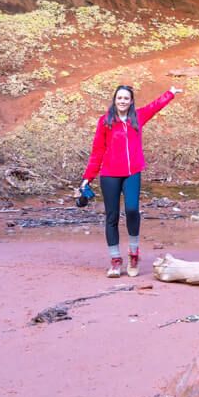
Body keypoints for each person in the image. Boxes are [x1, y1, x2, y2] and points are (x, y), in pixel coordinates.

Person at [78, 84, 181, 277]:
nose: (122, 101)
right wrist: (87, 178)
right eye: (119, 98)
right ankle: (115, 261)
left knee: (132, 209)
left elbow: (155, 106)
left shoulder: (138, 117)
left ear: (131, 101)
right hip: (109, 174)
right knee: (112, 217)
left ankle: (134, 253)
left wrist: (171, 93)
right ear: (114, 100)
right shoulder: (105, 121)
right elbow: (97, 151)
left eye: (126, 98)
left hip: (132, 172)